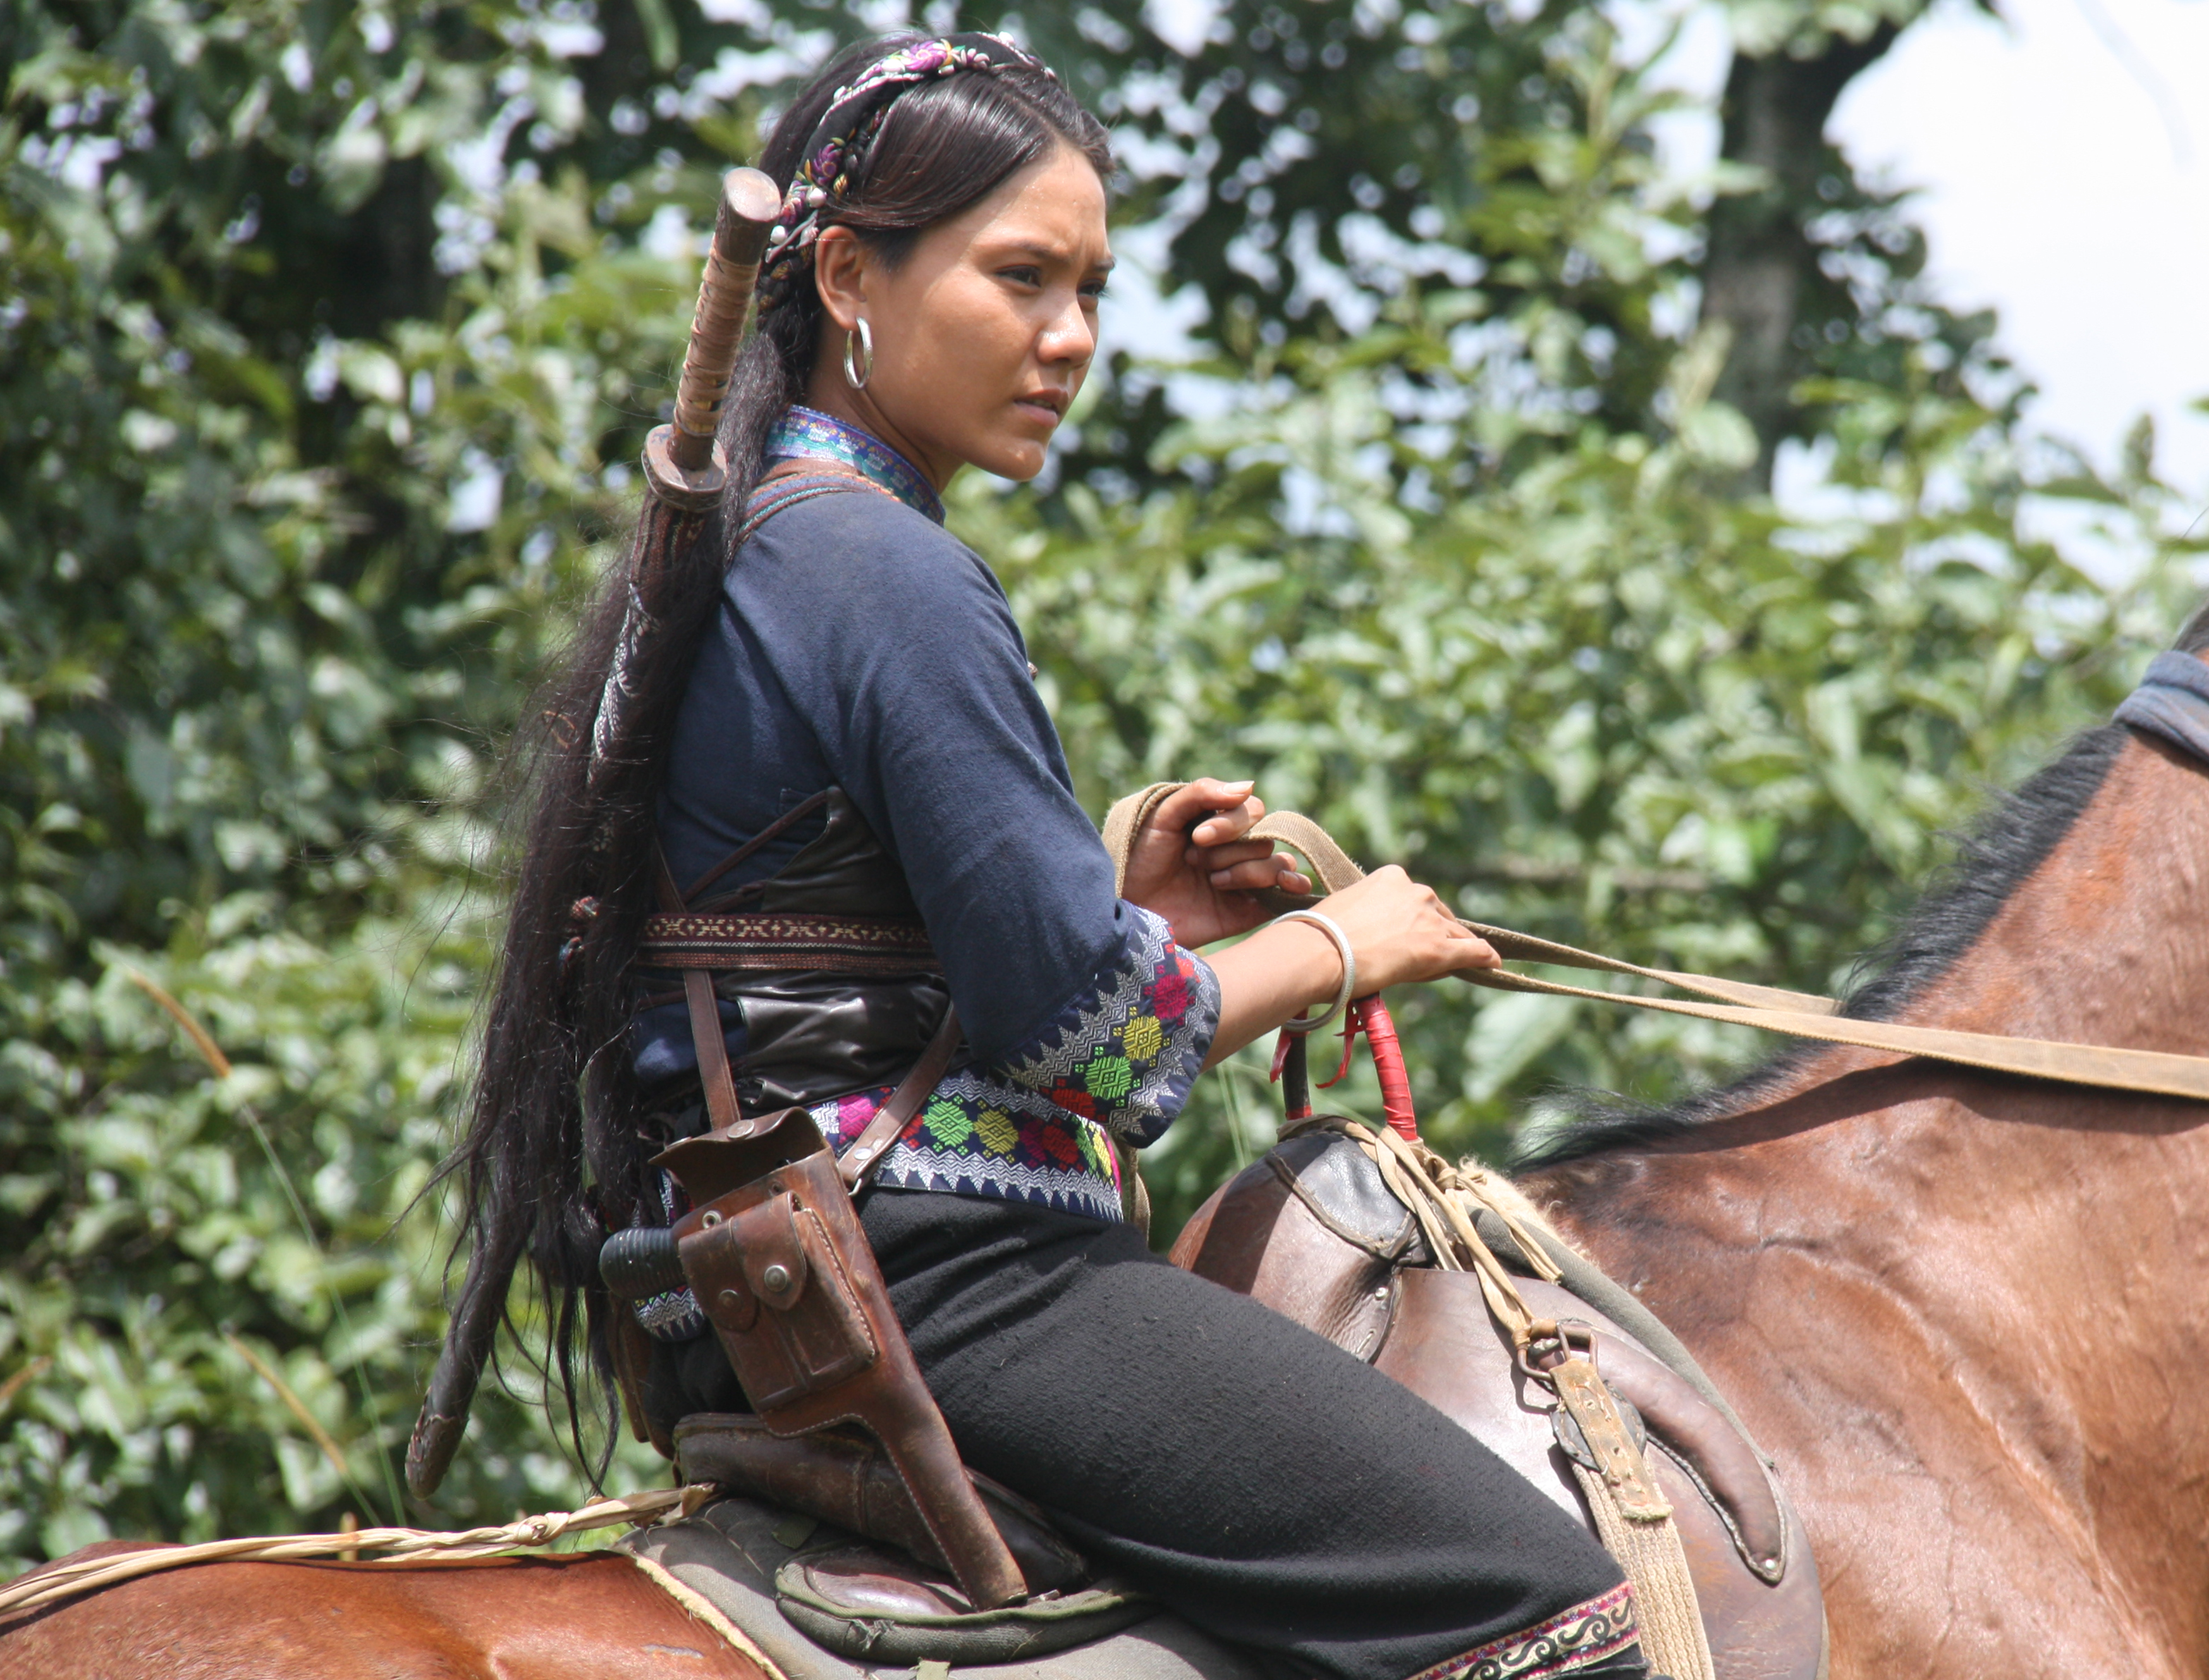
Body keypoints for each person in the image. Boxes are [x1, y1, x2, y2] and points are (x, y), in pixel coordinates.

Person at [446, 32, 1646, 1680]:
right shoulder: (885, 568)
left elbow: (841, 955)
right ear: (851, 275)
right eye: (1019, 278)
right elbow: (1091, 1036)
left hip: (761, 1285)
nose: (1069, 337)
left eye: (1091, 287)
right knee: (1559, 1618)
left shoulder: (769, 541)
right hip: (961, 1279)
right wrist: (1350, 941)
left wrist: (1123, 903)